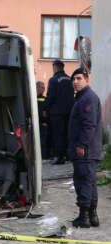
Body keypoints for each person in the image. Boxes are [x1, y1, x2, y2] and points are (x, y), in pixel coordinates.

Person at [68, 68, 103, 228]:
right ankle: (92, 216)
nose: (75, 82)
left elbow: (89, 125)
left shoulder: (88, 98)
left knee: (82, 181)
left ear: (86, 79)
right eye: (73, 79)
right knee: (89, 182)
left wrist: (82, 145)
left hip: (86, 150)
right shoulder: (83, 98)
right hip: (89, 149)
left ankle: (84, 217)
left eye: (79, 78)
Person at [43, 59, 75, 164]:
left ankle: (59, 157)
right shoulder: (69, 79)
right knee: (67, 134)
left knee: (58, 135)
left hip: (56, 113)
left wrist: (44, 109)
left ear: (55, 67)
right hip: (69, 112)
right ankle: (68, 155)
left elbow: (50, 97)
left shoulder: (53, 80)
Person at [36, 81, 49, 159]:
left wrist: (45, 121)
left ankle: (43, 157)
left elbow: (45, 112)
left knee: (43, 141)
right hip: (36, 124)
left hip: (43, 124)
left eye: (44, 88)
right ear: (37, 87)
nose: (44, 90)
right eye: (42, 88)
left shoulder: (44, 99)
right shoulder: (32, 98)